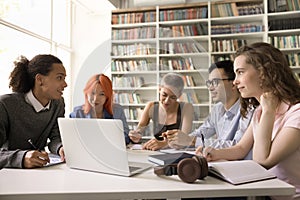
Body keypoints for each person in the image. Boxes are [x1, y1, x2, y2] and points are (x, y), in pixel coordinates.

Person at [197, 42, 300, 200]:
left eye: (240, 72)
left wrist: (268, 111)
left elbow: (262, 161)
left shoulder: (295, 113)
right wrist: (214, 153)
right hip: (264, 192)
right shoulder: (260, 111)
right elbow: (241, 148)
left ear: (264, 72)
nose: (235, 81)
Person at [165, 60, 254, 159]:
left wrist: (192, 141)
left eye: (215, 82)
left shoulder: (249, 109)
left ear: (233, 83)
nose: (210, 88)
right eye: (209, 83)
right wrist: (176, 140)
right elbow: (201, 132)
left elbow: (237, 146)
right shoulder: (217, 109)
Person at [0, 54, 67, 169]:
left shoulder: (58, 104)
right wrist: (21, 158)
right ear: (40, 79)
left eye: (64, 78)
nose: (65, 84)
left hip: (38, 172)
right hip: (8, 175)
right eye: (59, 78)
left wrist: (61, 148)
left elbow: (55, 137)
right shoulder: (5, 104)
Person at [129, 72, 194, 151]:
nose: (167, 101)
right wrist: (136, 135)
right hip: (156, 153)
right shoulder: (151, 106)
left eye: (173, 97)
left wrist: (164, 144)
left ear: (179, 95)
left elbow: (184, 139)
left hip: (178, 154)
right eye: (164, 95)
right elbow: (140, 129)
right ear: (159, 89)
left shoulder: (186, 108)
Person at [70, 73, 131, 144]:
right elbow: (71, 137)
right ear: (87, 93)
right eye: (92, 93)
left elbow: (125, 137)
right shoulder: (77, 112)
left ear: (107, 96)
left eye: (102, 94)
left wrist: (131, 137)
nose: (96, 99)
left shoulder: (117, 110)